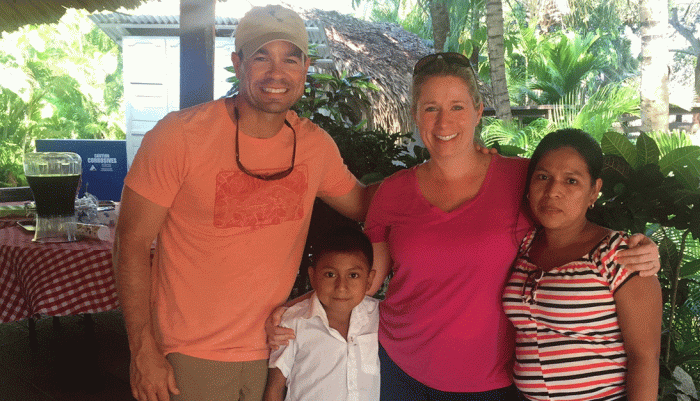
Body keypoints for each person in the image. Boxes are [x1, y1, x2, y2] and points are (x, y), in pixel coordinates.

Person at [361, 53, 661, 400]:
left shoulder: (522, 178)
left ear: (478, 111)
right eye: (430, 108)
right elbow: (365, 280)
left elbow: (576, 214)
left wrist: (642, 249)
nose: (444, 122)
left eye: (457, 107)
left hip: (489, 383)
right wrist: (310, 302)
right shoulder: (392, 192)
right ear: (415, 114)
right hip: (399, 368)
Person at [112, 5, 370, 401]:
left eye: (290, 59)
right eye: (262, 57)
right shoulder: (179, 136)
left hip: (277, 346)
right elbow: (129, 243)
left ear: (305, 68)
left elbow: (367, 206)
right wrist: (143, 350)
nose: (276, 73)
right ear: (238, 63)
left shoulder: (314, 146)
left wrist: (442, 173)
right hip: (190, 354)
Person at [502, 129, 662, 400]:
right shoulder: (524, 245)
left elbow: (645, 358)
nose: (553, 192)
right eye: (543, 177)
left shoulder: (620, 255)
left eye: (571, 181)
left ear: (594, 190)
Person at [263, 226, 380, 401]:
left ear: (369, 280)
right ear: (313, 277)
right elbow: (275, 387)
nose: (341, 287)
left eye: (353, 275)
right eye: (330, 274)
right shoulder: (293, 323)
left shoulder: (377, 316)